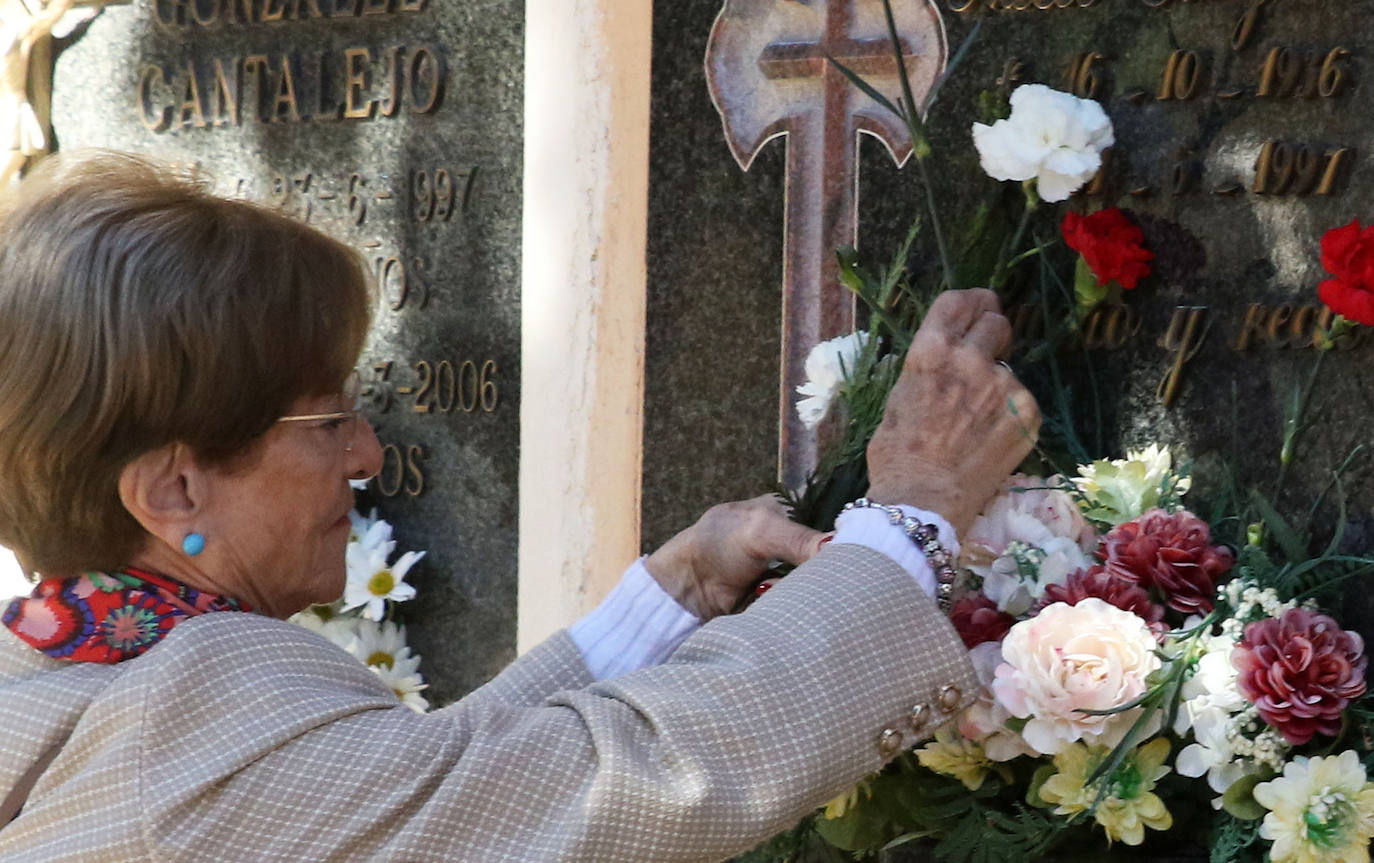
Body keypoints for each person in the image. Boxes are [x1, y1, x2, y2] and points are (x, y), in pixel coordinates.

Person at [0, 152, 1038, 862]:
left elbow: (417, 799)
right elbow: (613, 784)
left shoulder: (59, 670)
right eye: (326, 419)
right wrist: (911, 516)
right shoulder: (196, 712)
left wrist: (669, 599)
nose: (365, 453)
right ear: (174, 487)